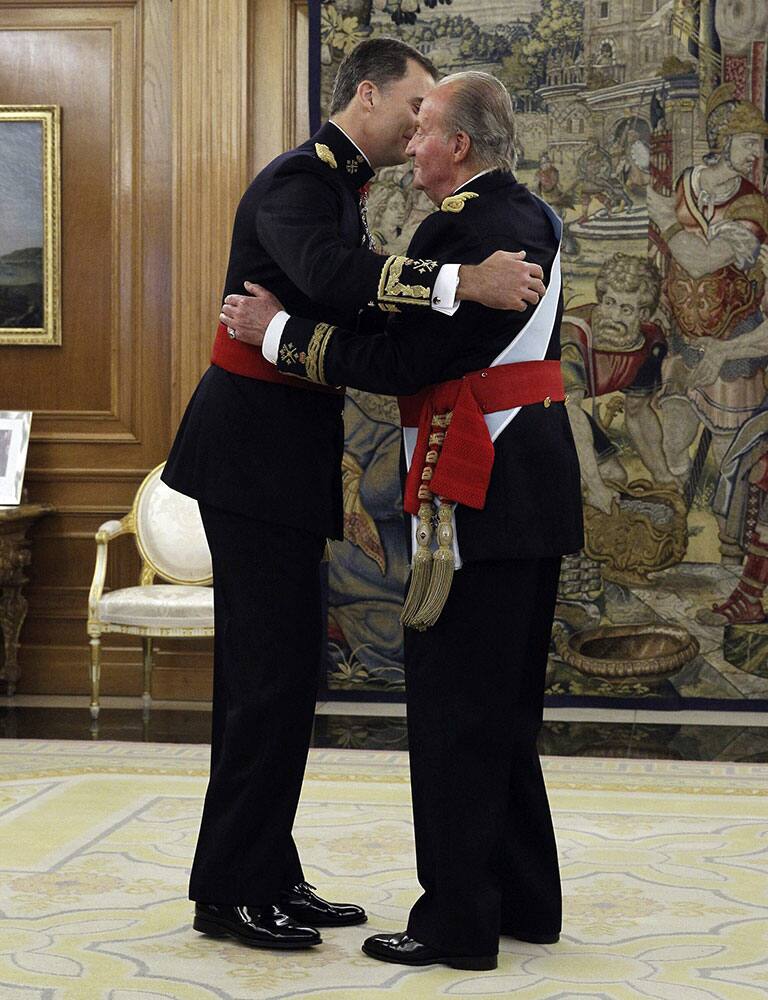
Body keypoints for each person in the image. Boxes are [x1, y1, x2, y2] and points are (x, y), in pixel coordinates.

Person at [163, 37, 547, 952]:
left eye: (431, 118)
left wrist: (296, 328)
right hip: (250, 458)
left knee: (289, 678)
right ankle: (229, 890)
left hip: (283, 457)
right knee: (262, 684)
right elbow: (340, 282)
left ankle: (268, 870)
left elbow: (355, 304)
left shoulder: (339, 188)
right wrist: (464, 280)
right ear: (366, 94)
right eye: (412, 108)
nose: (421, 128)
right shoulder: (300, 180)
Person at [560, 253, 672, 513]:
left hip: (566, 411)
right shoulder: (573, 336)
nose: (613, 316)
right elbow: (569, 410)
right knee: (585, 483)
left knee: (616, 477)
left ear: (643, 314)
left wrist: (662, 475)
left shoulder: (650, 343)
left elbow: (638, 412)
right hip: (540, 409)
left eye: (626, 309)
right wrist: (596, 488)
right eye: (609, 303)